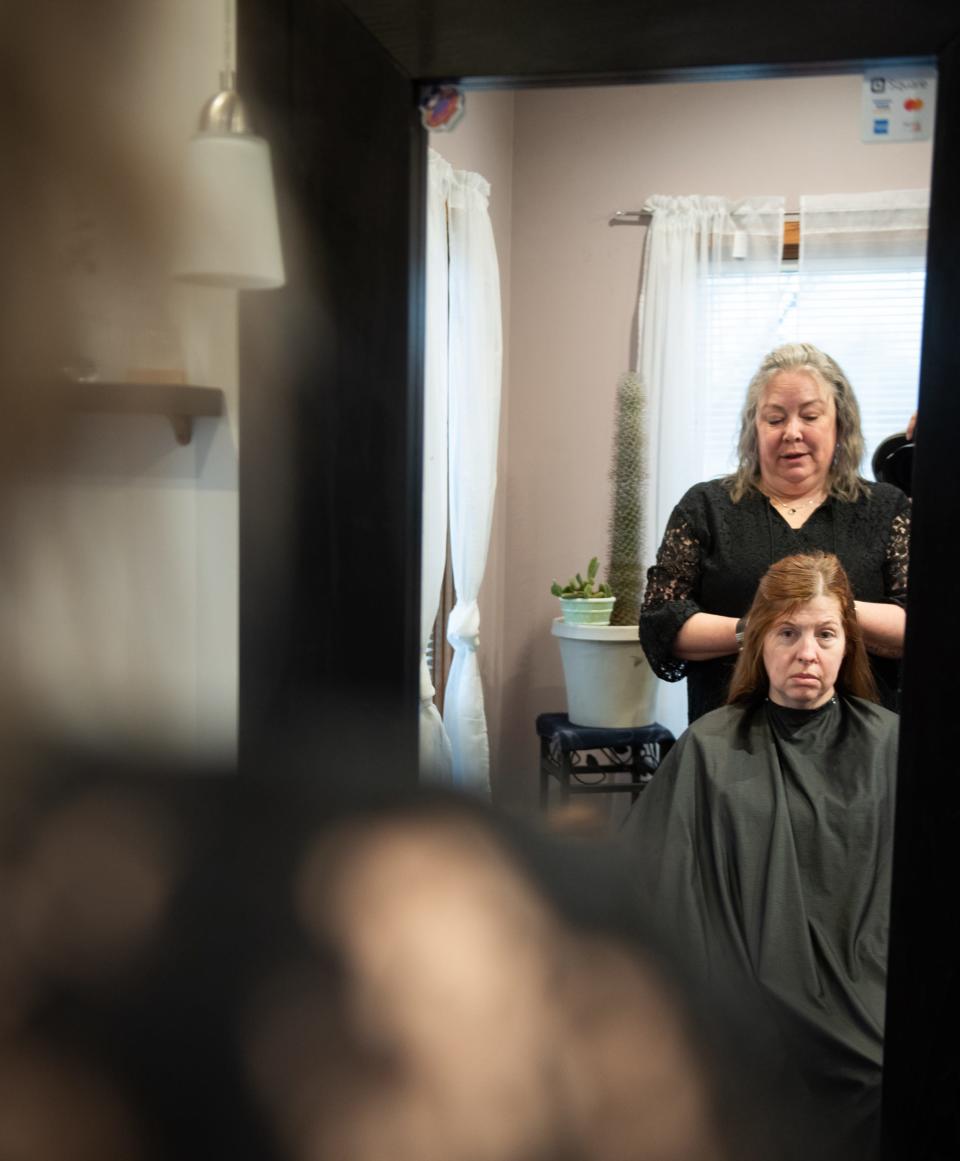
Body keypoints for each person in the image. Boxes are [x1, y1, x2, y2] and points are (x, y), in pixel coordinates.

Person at [623, 552, 898, 1161]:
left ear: (847, 645)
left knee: (880, 1072)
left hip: (867, 989)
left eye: (826, 634)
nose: (807, 653)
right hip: (743, 990)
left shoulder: (889, 746)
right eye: (788, 632)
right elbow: (660, 890)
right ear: (759, 640)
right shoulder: (709, 748)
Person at [640, 342, 910, 723]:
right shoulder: (705, 507)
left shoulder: (886, 508)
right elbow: (662, 624)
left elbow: (922, 624)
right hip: (731, 744)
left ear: (840, 424)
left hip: (859, 748)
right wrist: (757, 627)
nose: (792, 432)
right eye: (775, 418)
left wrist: (828, 613)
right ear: (754, 428)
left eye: (810, 416)